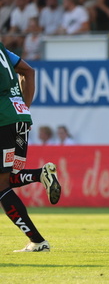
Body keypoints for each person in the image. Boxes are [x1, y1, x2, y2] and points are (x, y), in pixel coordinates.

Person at [0, 42, 62, 252]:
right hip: (20, 118)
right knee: (9, 178)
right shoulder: (2, 49)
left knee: (1, 185)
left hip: (2, 120)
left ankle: (38, 241)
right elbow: (28, 70)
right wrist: (23, 108)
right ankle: (40, 175)